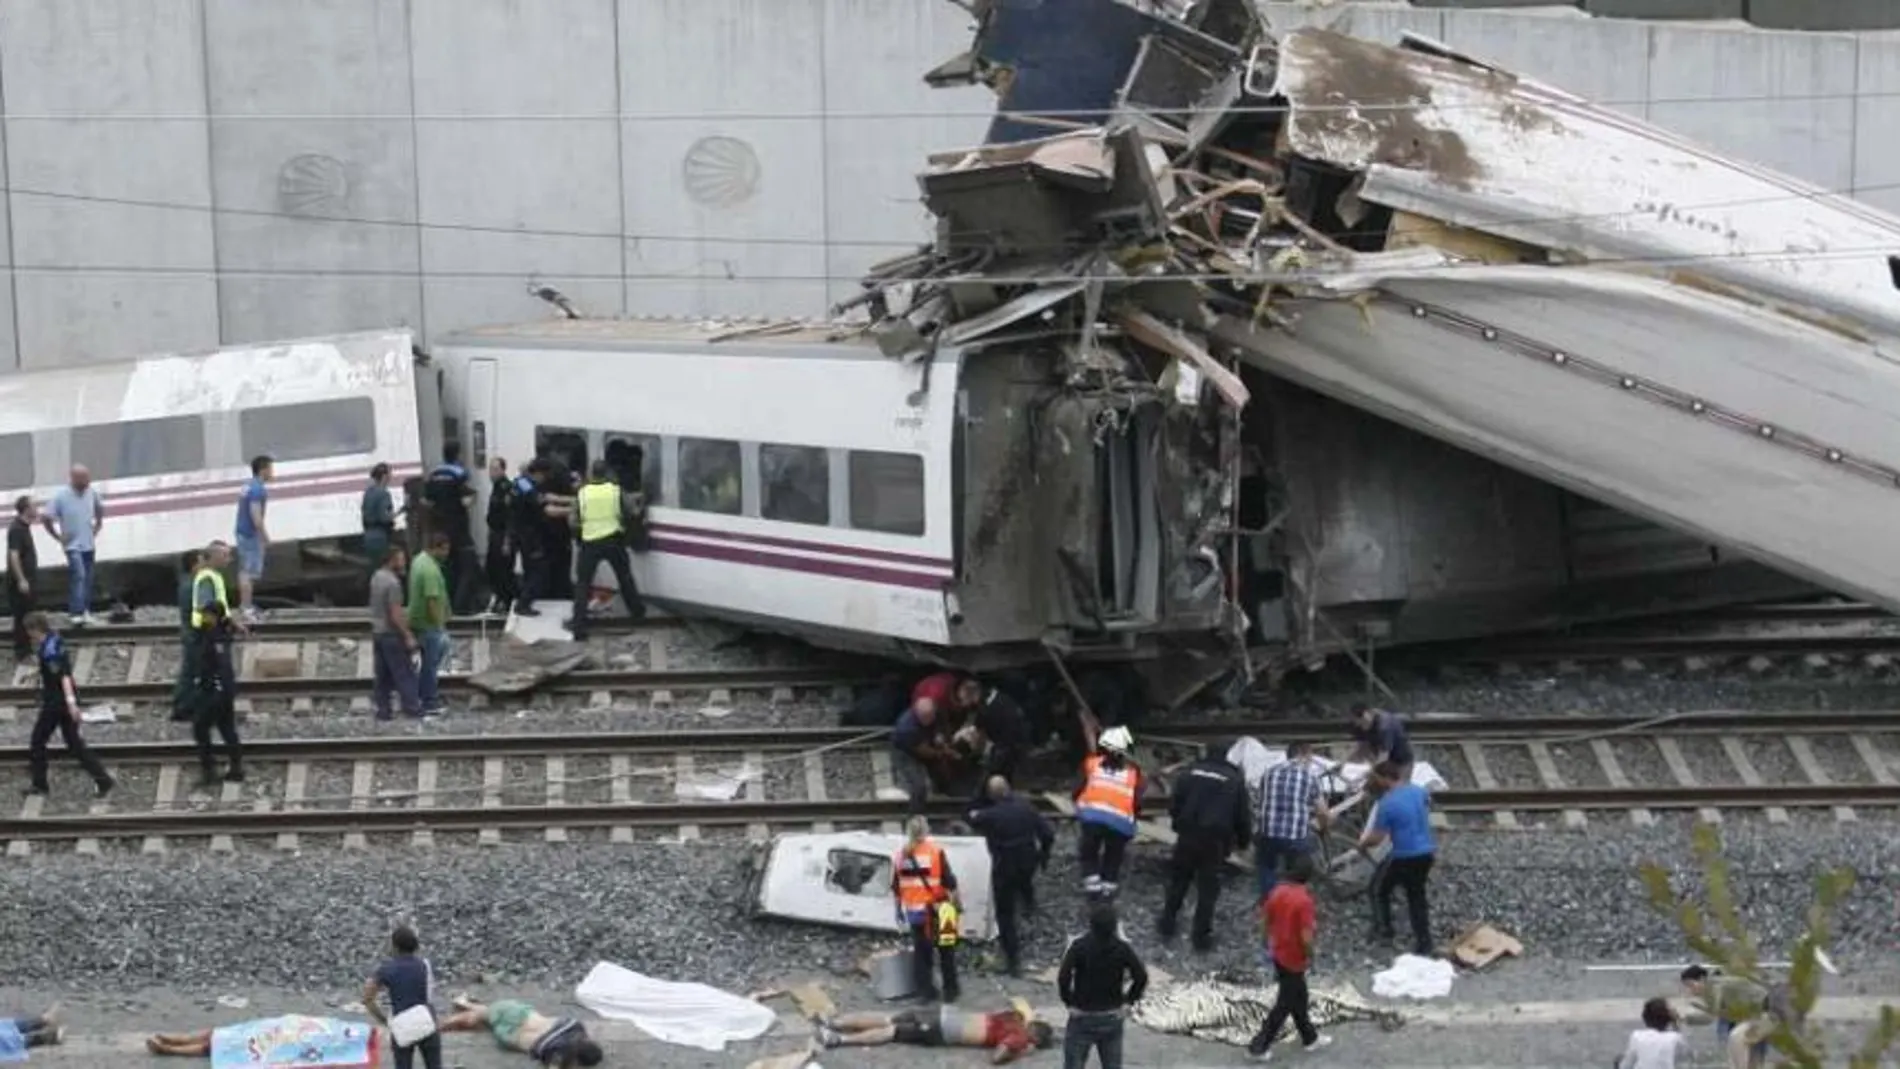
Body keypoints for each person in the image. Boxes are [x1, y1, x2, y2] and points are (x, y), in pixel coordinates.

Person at [1158, 741, 1251, 952]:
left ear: (1206, 753)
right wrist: (1243, 841)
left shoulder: (1189, 772)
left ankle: (1167, 923)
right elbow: (1241, 815)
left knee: (1179, 881)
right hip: (1215, 841)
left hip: (1188, 834)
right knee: (1208, 890)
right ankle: (1201, 937)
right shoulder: (1234, 779)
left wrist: (1178, 824)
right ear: (1227, 756)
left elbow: (1175, 803)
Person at [1246, 853, 1333, 1061]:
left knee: (1299, 997)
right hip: (1294, 958)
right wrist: (1311, 955)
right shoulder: (1304, 901)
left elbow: (1266, 920)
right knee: (1285, 1003)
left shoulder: (1277, 891)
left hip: (1279, 953)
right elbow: (1305, 937)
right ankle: (1258, 1046)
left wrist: (1264, 940)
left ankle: (1309, 1037)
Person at [967, 776, 1055, 977]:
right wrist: (1044, 855)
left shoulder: (989, 815)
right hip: (1027, 861)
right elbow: (1048, 834)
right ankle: (1029, 903)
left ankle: (1013, 960)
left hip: (1004, 866)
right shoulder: (1027, 808)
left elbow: (971, 816)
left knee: (1005, 914)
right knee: (1025, 882)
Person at [21, 612, 113, 798]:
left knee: (37, 741)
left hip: (57, 703)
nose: (29, 635)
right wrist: (33, 675)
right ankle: (103, 779)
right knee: (74, 744)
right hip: (62, 701)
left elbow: (63, 677)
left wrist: (71, 704)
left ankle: (40, 785)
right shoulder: (54, 640)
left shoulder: (50, 651)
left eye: (30, 631)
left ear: (36, 629)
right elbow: (56, 670)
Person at [1357, 760, 1435, 955]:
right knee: (1416, 896)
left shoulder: (1387, 803)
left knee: (1377, 889)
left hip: (1404, 855)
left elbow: (1377, 838)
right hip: (1426, 853)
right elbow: (1427, 806)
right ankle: (1424, 943)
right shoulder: (1419, 791)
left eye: (1376, 779)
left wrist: (1362, 843)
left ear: (1384, 779)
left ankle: (1384, 931)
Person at [1057, 902, 1147, 1069]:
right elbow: (1141, 977)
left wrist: (1069, 1002)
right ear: (1115, 926)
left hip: (1083, 1014)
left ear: (1091, 924)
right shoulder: (1122, 948)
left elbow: (1063, 977)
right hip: (1112, 1015)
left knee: (1073, 1064)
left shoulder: (1079, 947)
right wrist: (1129, 1002)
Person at [565, 459, 646, 640]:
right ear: (607, 473)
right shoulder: (615, 491)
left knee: (583, 584)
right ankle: (638, 613)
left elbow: (572, 521)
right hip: (613, 541)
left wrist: (580, 534)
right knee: (624, 577)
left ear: (591, 474)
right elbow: (632, 512)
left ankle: (579, 626)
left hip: (589, 543)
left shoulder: (582, 493)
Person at [817, 1004, 1055, 1062]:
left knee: (889, 1018)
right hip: (946, 1030)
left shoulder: (1015, 1017)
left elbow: (1010, 1012)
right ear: (1036, 1038)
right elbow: (997, 1057)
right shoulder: (1020, 1039)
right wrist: (1022, 1052)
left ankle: (834, 1022)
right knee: (894, 1031)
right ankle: (839, 1039)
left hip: (946, 1013)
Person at [894, 815, 962, 1003]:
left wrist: (898, 910)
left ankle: (926, 992)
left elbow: (897, 885)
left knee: (922, 954)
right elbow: (949, 881)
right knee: (946, 950)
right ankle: (950, 991)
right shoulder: (935, 852)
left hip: (916, 912)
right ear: (926, 831)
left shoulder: (901, 855)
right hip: (941, 907)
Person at [438, 994, 603, 1067]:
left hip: (519, 1013)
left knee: (487, 1014)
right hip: (511, 1035)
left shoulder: (575, 1025)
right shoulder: (559, 1055)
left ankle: (464, 1003)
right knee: (480, 1020)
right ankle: (441, 1024)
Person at [1074, 725, 1143, 897]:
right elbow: (1137, 802)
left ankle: (1092, 883)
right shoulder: (1133, 773)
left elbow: (1077, 790)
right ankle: (1109, 886)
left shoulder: (1092, 764)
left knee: (1088, 851)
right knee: (1114, 855)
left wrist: (1079, 807)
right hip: (1120, 822)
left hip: (1092, 817)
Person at [1256, 741, 1330, 900]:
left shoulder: (1269, 772)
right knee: (1298, 866)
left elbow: (1263, 801)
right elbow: (1322, 811)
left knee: (1266, 866)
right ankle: (1292, 900)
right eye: (1311, 757)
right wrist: (1324, 827)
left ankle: (1269, 903)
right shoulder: (1309, 776)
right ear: (1304, 754)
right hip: (1295, 837)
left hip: (1268, 833)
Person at [363, 925, 442, 1069]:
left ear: (395, 946)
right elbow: (430, 994)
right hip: (427, 1021)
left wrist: (383, 1019)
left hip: (402, 1024)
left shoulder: (386, 968)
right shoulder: (425, 965)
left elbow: (367, 998)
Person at [189, 599, 243, 787]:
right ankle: (236, 768)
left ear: (214, 616)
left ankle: (209, 770)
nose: (204, 617)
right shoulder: (219, 631)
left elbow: (222, 664)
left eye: (207, 614)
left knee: (200, 728)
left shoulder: (216, 636)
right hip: (224, 689)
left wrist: (216, 687)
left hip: (215, 690)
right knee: (227, 728)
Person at [1680, 966, 1774, 1069]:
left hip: (1768, 1009)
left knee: (1736, 1038)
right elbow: (1712, 1017)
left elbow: (1710, 1017)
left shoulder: (1716, 986)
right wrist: (1685, 1018)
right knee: (1745, 1054)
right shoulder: (1709, 990)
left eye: (1690, 985)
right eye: (1686, 986)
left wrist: (1684, 1017)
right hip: (1754, 1013)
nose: (1689, 990)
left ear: (1702, 979)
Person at [42, 465, 102, 626]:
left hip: (88, 543)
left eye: (88, 477)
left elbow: (99, 508)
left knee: (88, 578)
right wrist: (58, 536)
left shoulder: (92, 492)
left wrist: (98, 526)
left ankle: (85, 610)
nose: (87, 481)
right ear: (74, 478)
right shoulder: (61, 496)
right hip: (72, 545)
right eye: (83, 478)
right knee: (79, 575)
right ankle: (76, 612)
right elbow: (46, 516)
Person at [424, 442, 479, 613]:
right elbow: (465, 500)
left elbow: (427, 501)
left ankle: (446, 606)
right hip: (458, 527)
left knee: (447, 568)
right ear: (457, 454)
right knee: (467, 567)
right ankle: (461, 608)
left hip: (440, 529)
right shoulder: (460, 473)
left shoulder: (434, 474)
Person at [370, 546, 421, 720]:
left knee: (382, 676)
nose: (404, 562)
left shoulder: (376, 577)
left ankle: (383, 710)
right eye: (401, 559)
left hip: (377, 632)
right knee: (404, 673)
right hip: (391, 635)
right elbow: (395, 613)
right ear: (392, 560)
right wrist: (408, 636)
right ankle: (412, 708)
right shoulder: (393, 583)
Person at [962, 679, 1031, 796]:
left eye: (966, 699)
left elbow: (980, 735)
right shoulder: (1000, 699)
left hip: (1005, 747)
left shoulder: (987, 710)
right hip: (1012, 744)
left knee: (995, 778)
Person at [409, 532, 452, 716]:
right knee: (430, 665)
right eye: (446, 549)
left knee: (427, 662)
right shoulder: (430, 571)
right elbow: (432, 600)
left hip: (418, 620)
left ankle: (419, 695)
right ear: (439, 547)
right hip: (428, 624)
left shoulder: (419, 560)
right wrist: (439, 625)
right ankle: (429, 701)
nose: (447, 553)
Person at [891, 697, 955, 816]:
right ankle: (915, 815)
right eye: (925, 718)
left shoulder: (936, 713)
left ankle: (943, 792)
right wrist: (942, 753)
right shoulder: (906, 728)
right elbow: (924, 752)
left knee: (942, 771)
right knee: (918, 786)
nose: (929, 720)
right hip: (906, 752)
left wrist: (940, 736)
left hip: (926, 740)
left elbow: (941, 726)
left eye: (931, 716)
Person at [233, 455, 272, 625]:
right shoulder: (258, 489)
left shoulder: (248, 485)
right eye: (270, 469)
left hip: (242, 532)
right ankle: (247, 608)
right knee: (248, 573)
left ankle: (246, 606)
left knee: (245, 571)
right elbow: (255, 514)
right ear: (263, 470)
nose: (272, 472)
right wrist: (264, 535)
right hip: (250, 535)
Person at [509, 461, 552, 615]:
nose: (544, 479)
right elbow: (543, 507)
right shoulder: (529, 488)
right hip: (529, 535)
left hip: (520, 533)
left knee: (529, 568)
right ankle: (523, 604)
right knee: (539, 570)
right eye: (544, 475)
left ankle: (526, 601)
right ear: (537, 473)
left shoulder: (518, 483)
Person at [1348, 703, 1414, 785]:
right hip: (1383, 761)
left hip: (1401, 761)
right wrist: (1343, 763)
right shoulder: (1359, 726)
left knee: (1400, 790)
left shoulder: (1385, 725)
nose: (1361, 727)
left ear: (1368, 714)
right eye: (1358, 724)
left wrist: (1370, 772)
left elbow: (1384, 756)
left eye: (1362, 723)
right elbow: (1361, 747)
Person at [484, 457, 516, 614]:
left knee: (504, 570)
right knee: (492, 568)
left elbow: (510, 517)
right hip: (495, 533)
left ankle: (507, 601)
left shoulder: (506, 488)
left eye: (495, 469)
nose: (492, 473)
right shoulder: (496, 487)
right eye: (490, 469)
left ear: (503, 470)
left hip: (503, 535)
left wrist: (507, 541)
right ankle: (499, 597)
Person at [8, 494, 38, 661]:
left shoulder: (23, 527)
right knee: (22, 617)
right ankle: (22, 652)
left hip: (27, 580)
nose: (37, 509)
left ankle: (27, 649)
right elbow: (14, 555)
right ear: (26, 509)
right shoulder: (17, 529)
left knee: (27, 615)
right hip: (21, 582)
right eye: (34, 506)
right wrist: (21, 579)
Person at [1617, 997, 1687, 1069]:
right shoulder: (1675, 1038)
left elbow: (1626, 1065)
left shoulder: (1637, 1036)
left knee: (1619, 1059)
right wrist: (1675, 1023)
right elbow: (1683, 1055)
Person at [361, 462, 398, 572]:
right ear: (384, 476)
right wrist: (394, 515)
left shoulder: (368, 492)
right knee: (384, 568)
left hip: (368, 536)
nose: (391, 477)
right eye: (390, 474)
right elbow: (385, 517)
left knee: (374, 569)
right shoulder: (384, 493)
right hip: (380, 536)